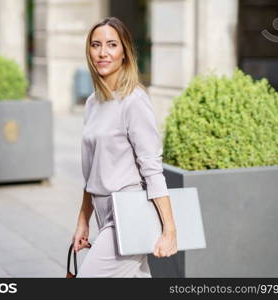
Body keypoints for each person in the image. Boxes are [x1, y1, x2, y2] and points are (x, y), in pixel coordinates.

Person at [71, 17, 178, 278]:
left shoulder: (134, 101)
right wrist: (83, 220)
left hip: (130, 210)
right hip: (103, 208)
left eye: (111, 45)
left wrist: (169, 230)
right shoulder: (92, 103)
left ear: (124, 54)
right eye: (96, 45)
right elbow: (91, 173)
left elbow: (152, 168)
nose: (103, 52)